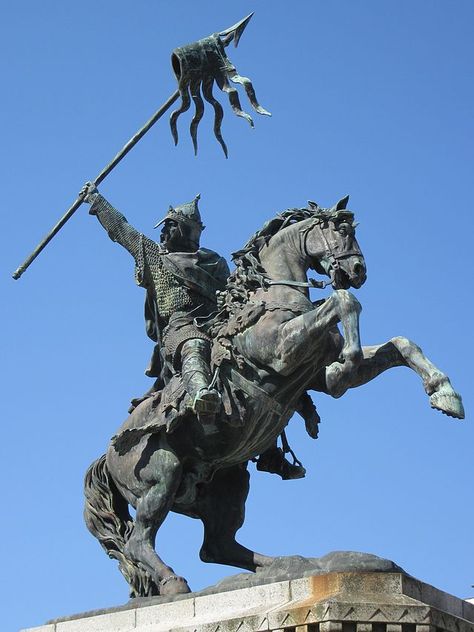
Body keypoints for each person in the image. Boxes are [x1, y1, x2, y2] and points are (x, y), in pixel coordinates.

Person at [81, 182, 228, 418]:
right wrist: (96, 200)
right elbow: (121, 229)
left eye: (169, 227)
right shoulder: (154, 256)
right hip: (180, 328)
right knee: (194, 344)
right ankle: (202, 394)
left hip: (217, 324)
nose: (162, 233)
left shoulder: (215, 263)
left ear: (183, 230)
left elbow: (230, 295)